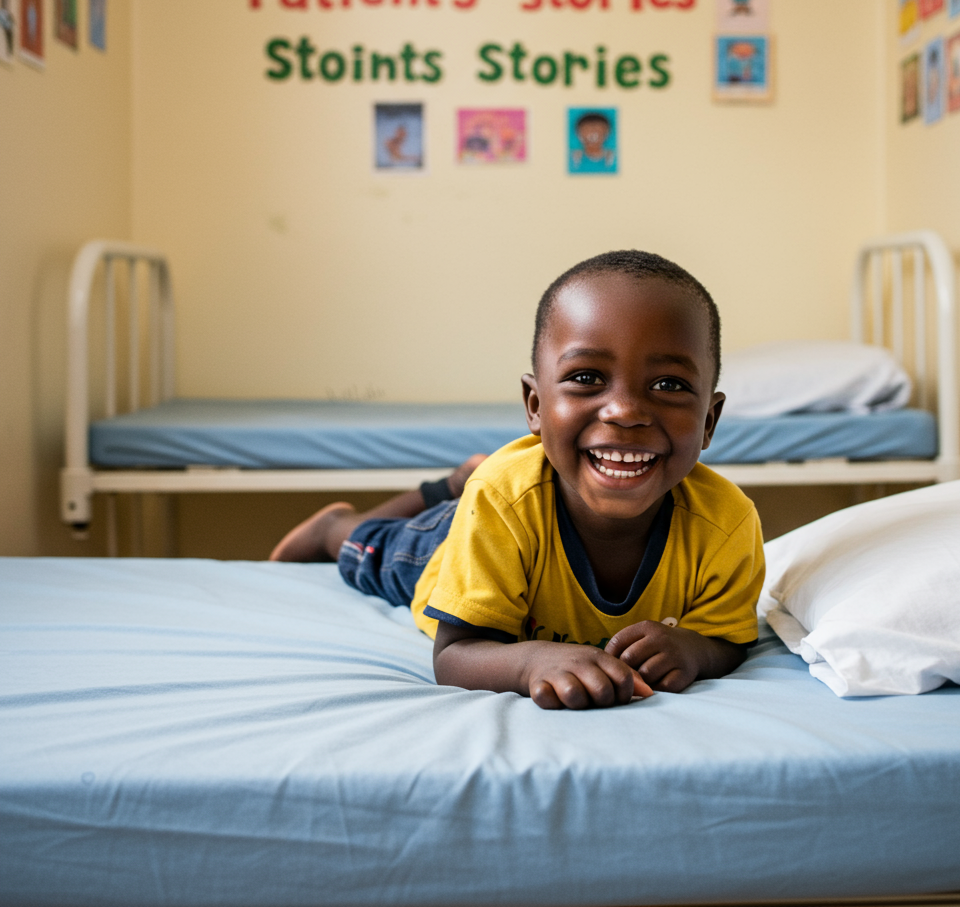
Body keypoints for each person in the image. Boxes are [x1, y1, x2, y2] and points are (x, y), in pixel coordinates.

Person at [272, 251, 765, 710]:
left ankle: (453, 484)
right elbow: (455, 654)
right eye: (587, 378)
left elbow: (730, 639)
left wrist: (695, 650)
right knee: (378, 550)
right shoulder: (501, 498)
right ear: (534, 405)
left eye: (668, 385)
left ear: (709, 421)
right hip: (451, 546)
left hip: (504, 511)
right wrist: (534, 659)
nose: (625, 412)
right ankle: (337, 524)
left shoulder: (727, 522)